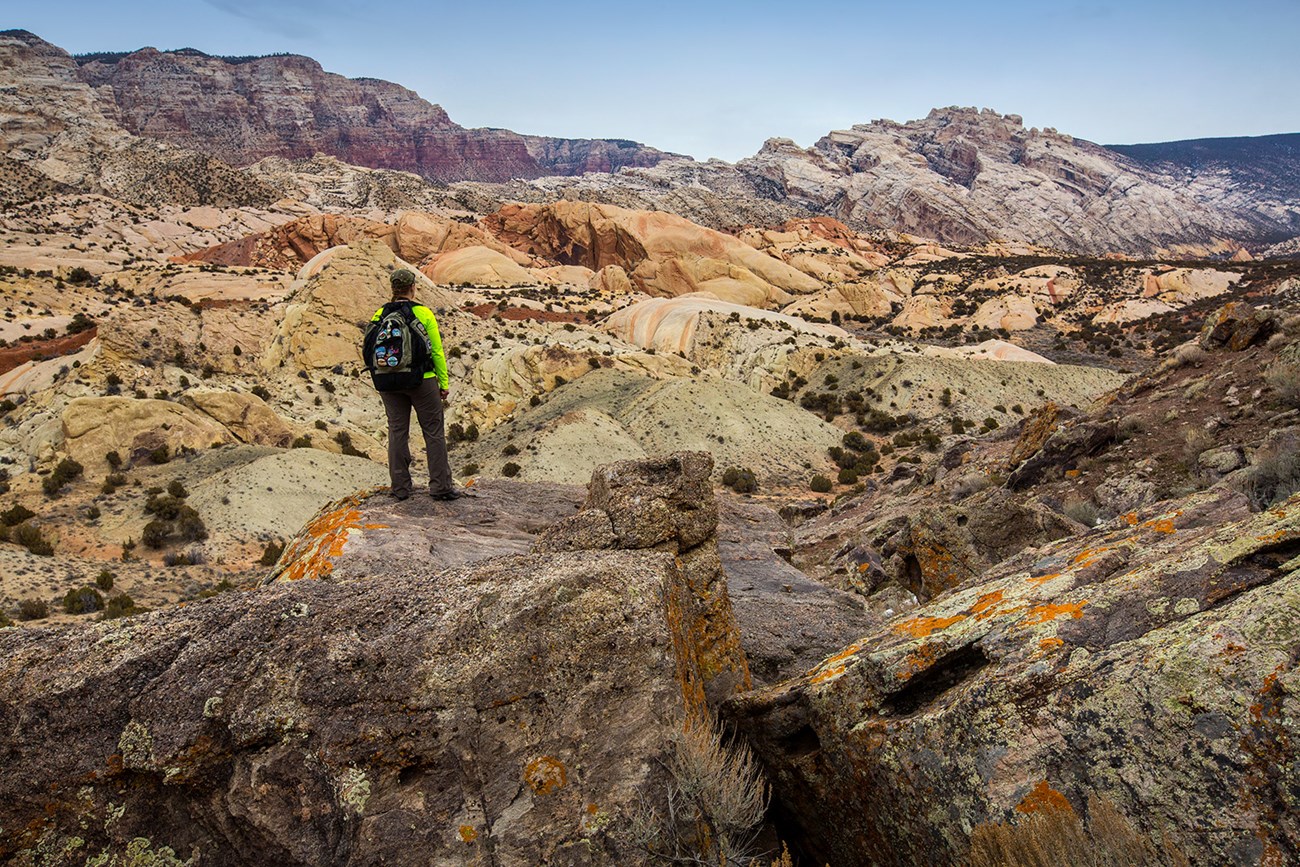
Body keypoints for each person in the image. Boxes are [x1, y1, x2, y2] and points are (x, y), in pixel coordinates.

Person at [369, 268, 461, 501]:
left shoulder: (380, 313)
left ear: (392, 289)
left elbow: (368, 346)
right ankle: (440, 487)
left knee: (397, 431)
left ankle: (400, 488)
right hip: (422, 379)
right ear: (412, 287)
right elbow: (437, 351)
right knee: (433, 432)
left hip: (387, 380)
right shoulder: (423, 313)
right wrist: (444, 382)